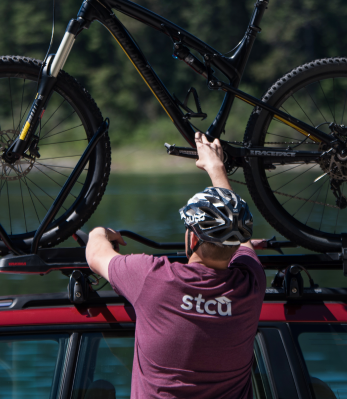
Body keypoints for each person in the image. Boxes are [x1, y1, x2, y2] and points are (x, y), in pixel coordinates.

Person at [85, 132, 267, 399]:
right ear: (236, 242)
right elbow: (241, 239)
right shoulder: (250, 284)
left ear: (192, 238)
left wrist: (101, 232)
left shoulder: (151, 279)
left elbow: (95, 253)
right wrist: (216, 168)